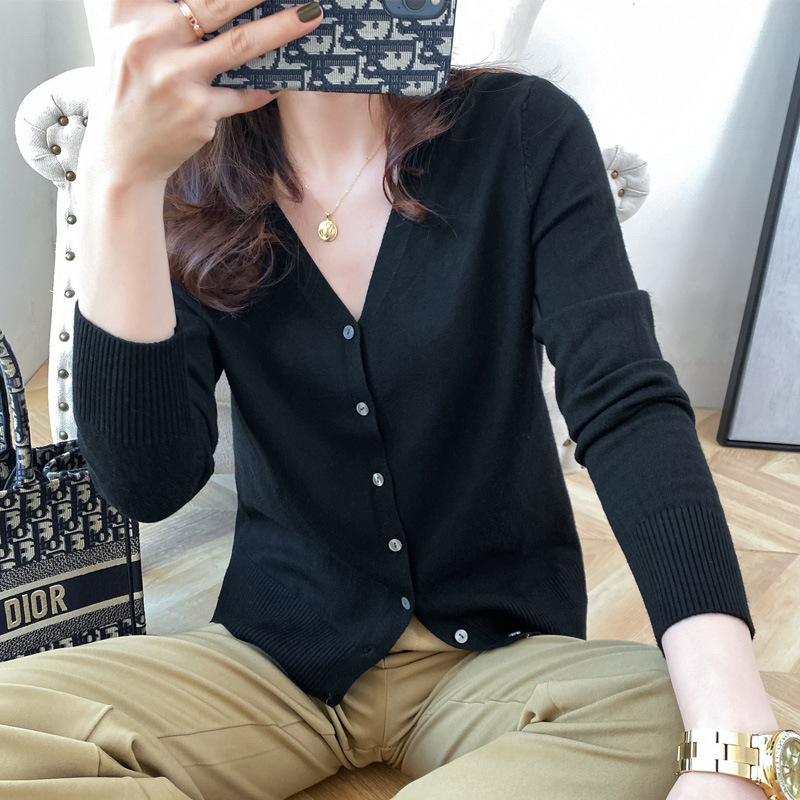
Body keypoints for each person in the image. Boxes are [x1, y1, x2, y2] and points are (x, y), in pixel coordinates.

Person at [0, 2, 781, 799]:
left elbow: (626, 405)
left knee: (693, 705)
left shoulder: (523, 132)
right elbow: (149, 483)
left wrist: (739, 743)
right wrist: (121, 178)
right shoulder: (187, 176)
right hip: (275, 661)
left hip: (499, 660)